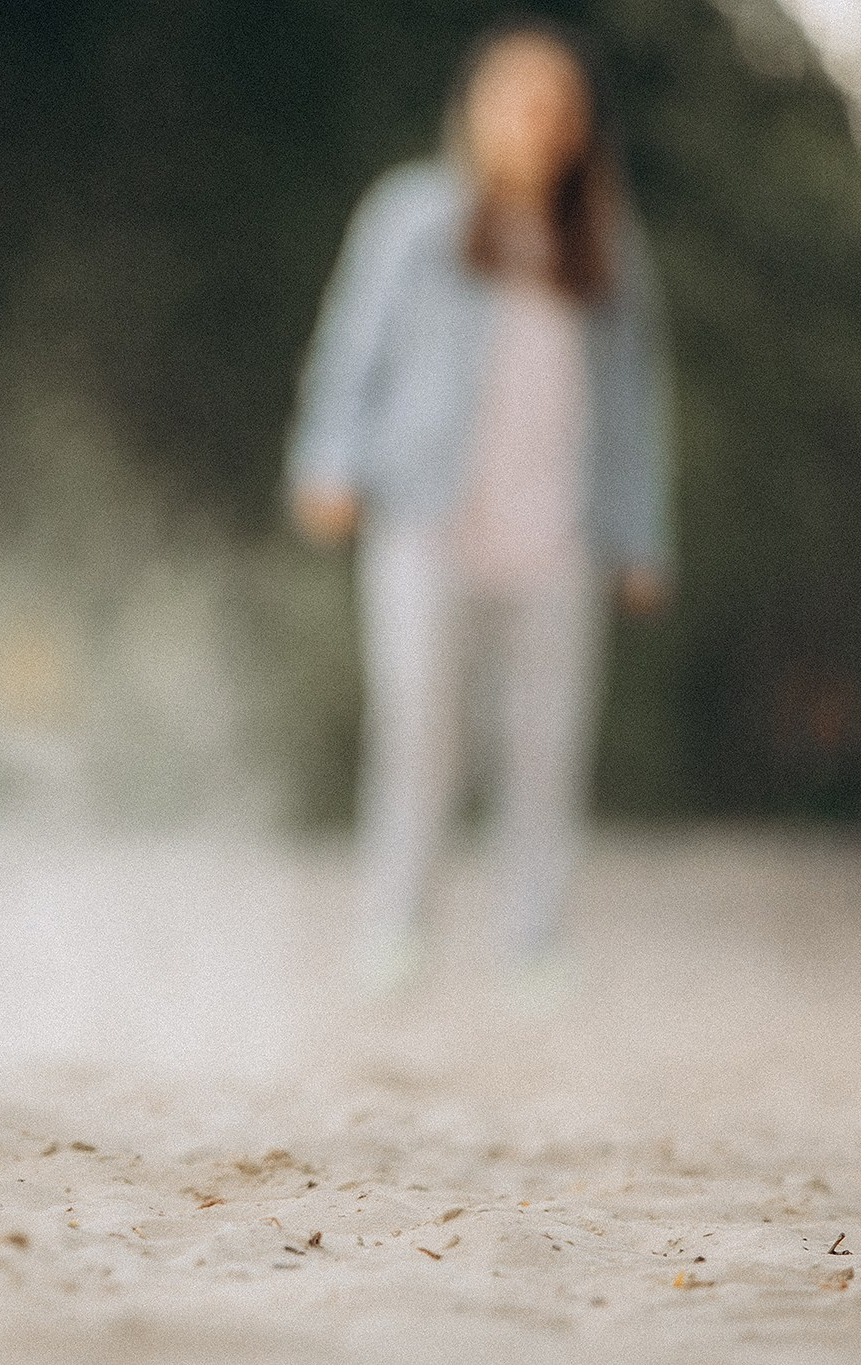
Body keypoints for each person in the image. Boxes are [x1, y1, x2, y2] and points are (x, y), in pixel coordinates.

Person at [286, 18, 671, 992]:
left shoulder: (604, 245)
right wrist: (327, 460)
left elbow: (631, 400)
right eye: (516, 97)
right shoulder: (410, 217)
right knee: (418, 733)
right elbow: (349, 352)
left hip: (556, 538)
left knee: (543, 753)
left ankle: (533, 943)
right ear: (475, 109)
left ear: (579, 126)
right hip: (426, 522)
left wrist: (638, 535)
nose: (536, 120)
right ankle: (391, 930)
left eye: (556, 104)